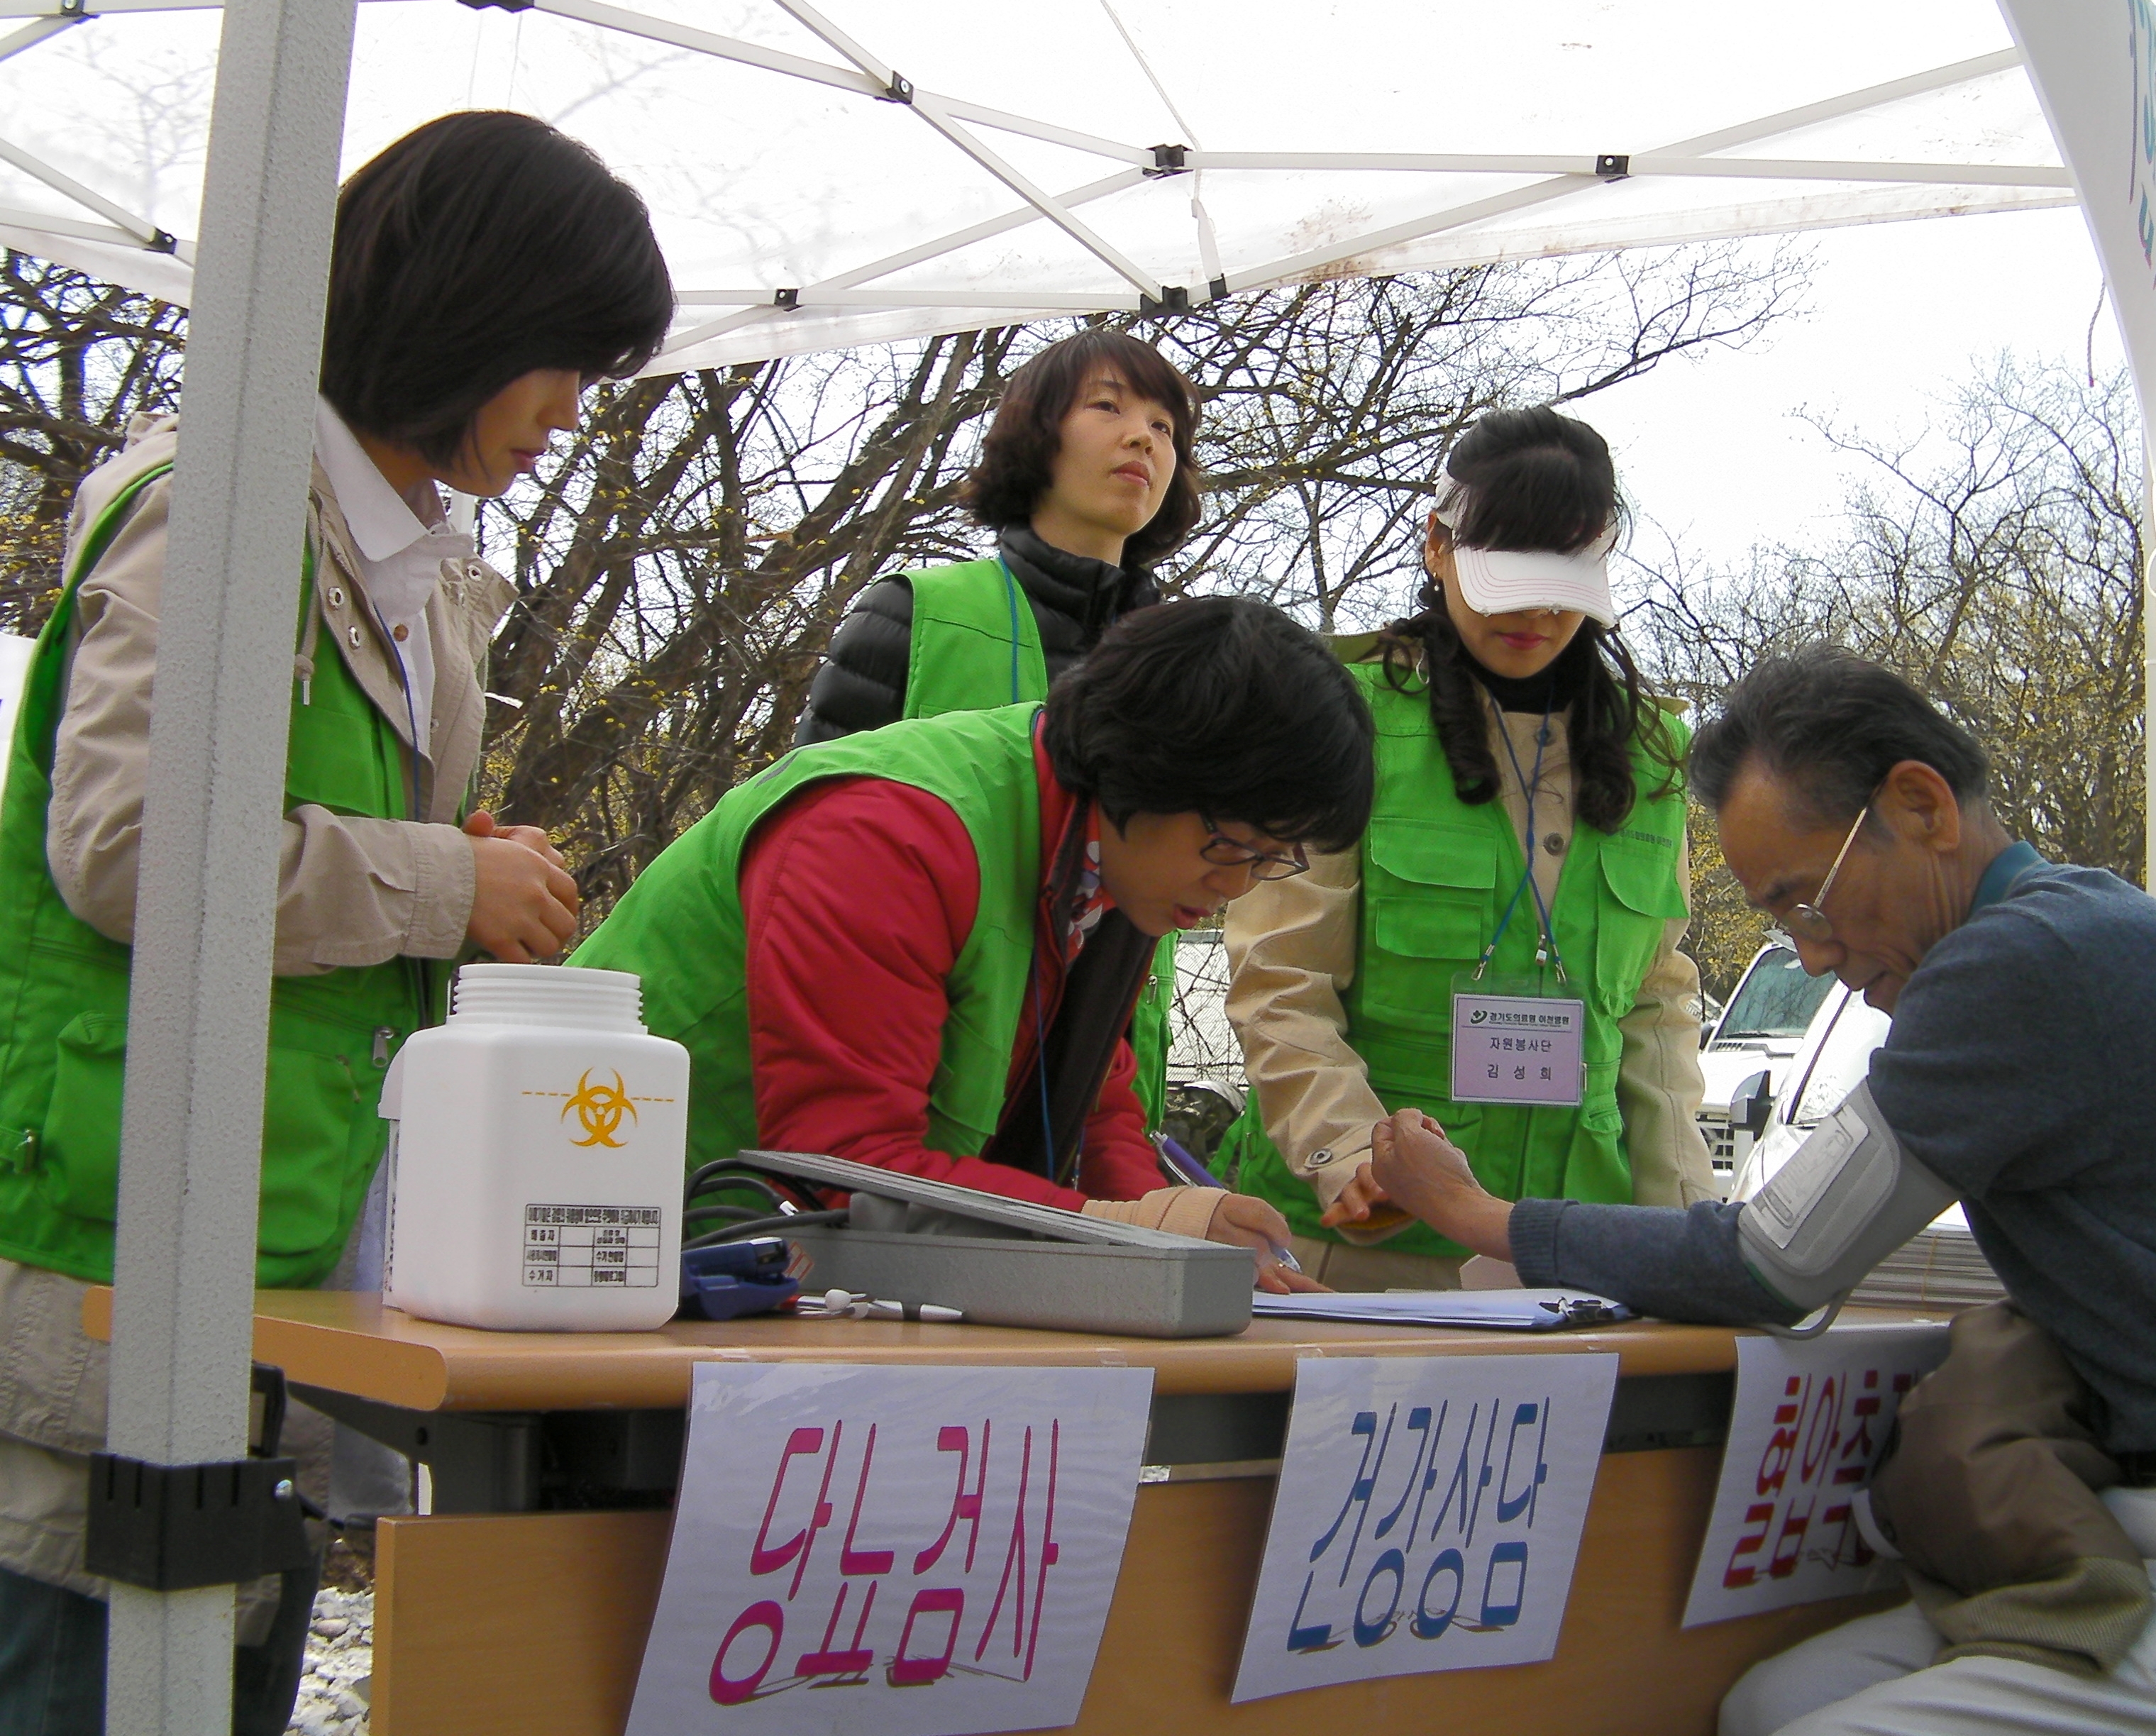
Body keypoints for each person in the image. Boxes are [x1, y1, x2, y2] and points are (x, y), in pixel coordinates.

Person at [1369, 647, 2156, 1735]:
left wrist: (1473, 1214)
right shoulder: (2084, 928)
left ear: (1921, 805)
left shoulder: (2024, 962)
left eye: (1806, 902)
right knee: (1776, 1700)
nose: (1817, 952)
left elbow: (1773, 1261)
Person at [0, 111, 673, 1735]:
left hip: (287, 1252)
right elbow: (130, 847)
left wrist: (452, 861)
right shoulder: (214, 505)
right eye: (564, 361)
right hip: (108, 1246)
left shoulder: (426, 565)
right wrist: (444, 880)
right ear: (464, 309)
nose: (571, 414)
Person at [574, 597, 1372, 1290]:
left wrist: (1179, 1231)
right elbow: (842, 1169)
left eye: (1274, 859)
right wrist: (1129, 1227)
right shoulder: (885, 836)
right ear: (1146, 769)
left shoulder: (1112, 860)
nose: (1238, 886)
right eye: (1233, 844)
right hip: (612, 1250)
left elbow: (1096, 1102)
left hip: (770, 1274)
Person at [1217, 407, 1713, 1290]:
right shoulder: (1343, 719)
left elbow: (1657, 1010)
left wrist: (1683, 1235)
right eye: (1507, 575)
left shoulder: (1654, 753)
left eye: (1565, 577)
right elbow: (1282, 986)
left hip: (1576, 1256)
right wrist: (1359, 1160)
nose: (1535, 610)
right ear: (1435, 546)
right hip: (1361, 1254)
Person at [797, 329, 1200, 1145]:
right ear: (1036, 431)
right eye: (1108, 407)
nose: (1142, 439)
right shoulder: (913, 613)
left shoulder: (1190, 664)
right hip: (907, 1067)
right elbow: (805, 847)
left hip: (1099, 1085)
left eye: (1166, 427)